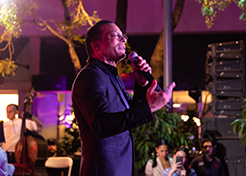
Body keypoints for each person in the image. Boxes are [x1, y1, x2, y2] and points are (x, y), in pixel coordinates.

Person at [70, 20, 174, 175]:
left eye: (123, 36)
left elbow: (129, 114)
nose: (123, 40)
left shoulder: (111, 77)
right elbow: (102, 125)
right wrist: (150, 106)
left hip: (119, 169)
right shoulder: (90, 76)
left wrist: (141, 83)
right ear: (96, 45)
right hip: (104, 170)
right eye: (115, 35)